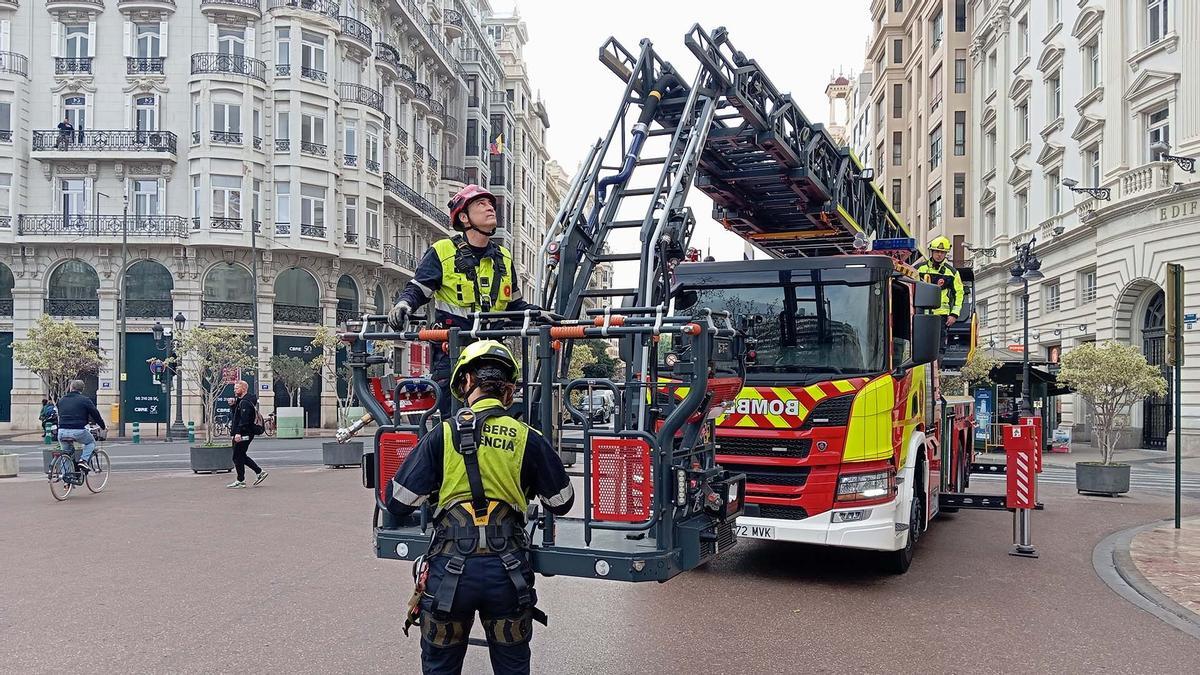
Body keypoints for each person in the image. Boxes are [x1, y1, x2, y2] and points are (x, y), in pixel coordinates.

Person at [385, 340, 574, 675]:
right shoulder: (527, 437)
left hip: (449, 574)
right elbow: (561, 502)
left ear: (467, 382)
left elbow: (397, 501)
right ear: (509, 391)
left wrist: (435, 492)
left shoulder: (442, 434)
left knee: (440, 666)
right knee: (512, 665)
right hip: (508, 572)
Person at [387, 185, 547, 416]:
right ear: (464, 217)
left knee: (495, 418)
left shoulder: (503, 257)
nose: (490, 208)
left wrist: (538, 314)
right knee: (452, 420)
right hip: (453, 355)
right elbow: (418, 289)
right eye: (481, 204)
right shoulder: (442, 251)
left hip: (493, 355)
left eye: (491, 204)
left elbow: (514, 305)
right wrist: (403, 305)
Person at [916, 236, 965, 350]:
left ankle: (936, 367)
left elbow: (959, 293)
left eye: (942, 252)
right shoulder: (919, 269)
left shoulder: (952, 272)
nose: (939, 255)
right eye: (937, 251)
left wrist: (954, 314)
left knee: (939, 346)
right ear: (932, 252)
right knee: (919, 345)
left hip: (941, 316)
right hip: (920, 314)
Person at [56, 381, 105, 473]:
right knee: (91, 443)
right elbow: (95, 414)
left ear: (71, 387)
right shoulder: (85, 400)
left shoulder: (62, 399)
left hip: (62, 431)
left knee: (66, 453)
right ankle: (83, 460)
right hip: (78, 430)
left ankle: (66, 479)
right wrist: (102, 426)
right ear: (82, 389)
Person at [227, 380, 268, 489]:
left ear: (244, 389)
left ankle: (242, 480)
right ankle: (256, 473)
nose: (234, 390)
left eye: (237, 388)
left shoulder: (245, 402)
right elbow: (237, 416)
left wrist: (238, 433)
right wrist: (233, 406)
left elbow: (244, 420)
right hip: (243, 433)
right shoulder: (242, 401)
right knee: (240, 456)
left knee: (237, 456)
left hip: (245, 434)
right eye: (234, 388)